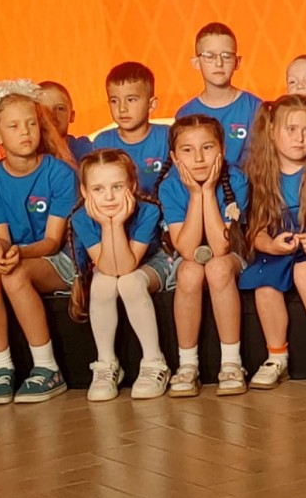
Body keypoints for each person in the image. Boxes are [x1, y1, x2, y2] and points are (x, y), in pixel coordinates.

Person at [0, 80, 78, 404]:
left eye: (31, 124)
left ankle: (47, 368)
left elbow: (53, 241)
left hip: (61, 259)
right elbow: (0, 236)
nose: (25, 132)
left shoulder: (60, 173)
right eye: (13, 126)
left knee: (14, 275)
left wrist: (16, 254)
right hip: (20, 254)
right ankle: (2, 367)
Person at [241, 96, 306, 388]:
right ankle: (276, 357)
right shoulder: (260, 175)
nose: (300, 138)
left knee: (304, 271)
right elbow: (256, 231)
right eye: (291, 129)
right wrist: (271, 246)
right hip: (278, 246)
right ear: (272, 131)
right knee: (263, 280)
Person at [67, 148, 171, 401]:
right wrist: (108, 224)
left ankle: (154, 361)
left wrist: (114, 223)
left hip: (151, 264)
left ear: (132, 185)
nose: (109, 197)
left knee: (129, 282)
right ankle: (106, 363)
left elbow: (125, 267)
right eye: (98, 189)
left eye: (117, 186)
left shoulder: (148, 211)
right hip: (110, 265)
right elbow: (108, 268)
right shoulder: (81, 218)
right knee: (102, 284)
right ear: (84, 192)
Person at [156, 114, 248, 396]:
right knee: (188, 271)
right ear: (174, 157)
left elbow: (221, 247)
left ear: (222, 149)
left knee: (217, 268)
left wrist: (208, 191)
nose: (198, 158)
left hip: (232, 255)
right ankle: (188, 364)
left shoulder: (237, 179)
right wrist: (195, 195)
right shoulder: (170, 187)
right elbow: (186, 249)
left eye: (207, 148)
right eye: (187, 150)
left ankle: (231, 362)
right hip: (192, 257)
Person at [175, 22, 262, 168]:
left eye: (227, 56)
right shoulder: (185, 114)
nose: (219, 63)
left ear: (237, 62)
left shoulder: (255, 108)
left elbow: (262, 161)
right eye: (209, 56)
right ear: (196, 63)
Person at [90, 62, 170, 192]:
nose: (122, 108)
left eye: (131, 100)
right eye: (114, 101)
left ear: (151, 104)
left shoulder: (168, 136)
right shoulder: (103, 142)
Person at [38, 81, 93, 161]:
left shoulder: (87, 151)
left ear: (72, 116)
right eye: (43, 110)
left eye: (60, 108)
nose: (51, 115)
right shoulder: (25, 153)